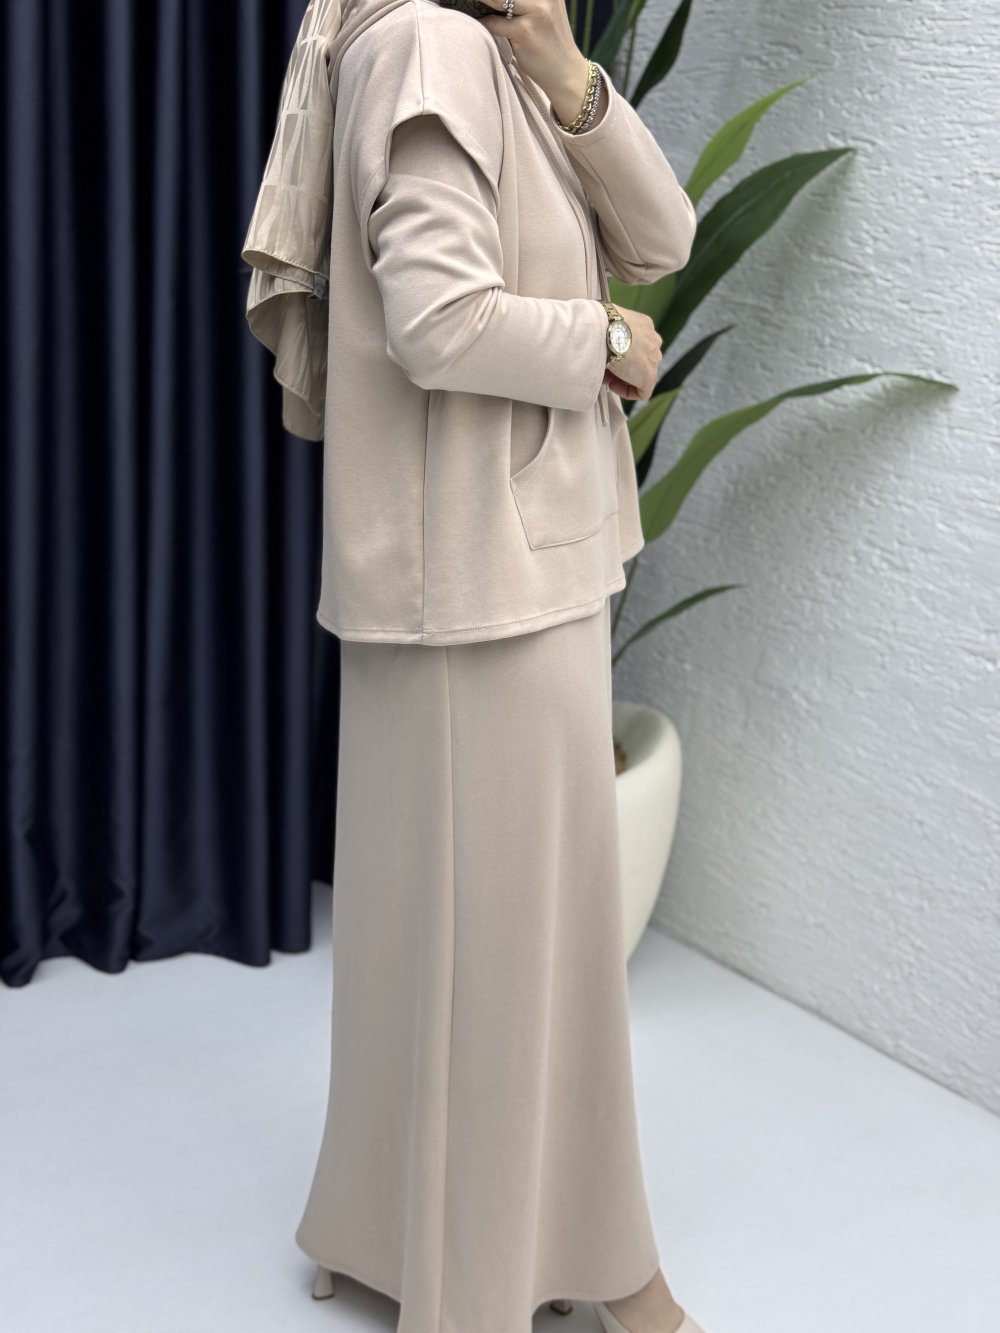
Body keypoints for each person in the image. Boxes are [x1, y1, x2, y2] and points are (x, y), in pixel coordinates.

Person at [242, 1, 703, 1330]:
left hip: (495, 570)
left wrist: (567, 73)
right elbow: (441, 320)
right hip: (485, 585)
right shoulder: (428, 48)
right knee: (507, 966)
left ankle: (390, 1227)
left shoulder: (494, 55)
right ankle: (558, 1275)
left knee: (452, 952)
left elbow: (663, 237)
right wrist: (608, 344)